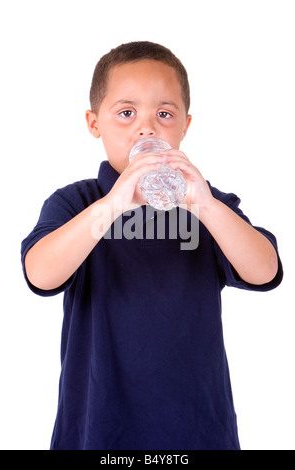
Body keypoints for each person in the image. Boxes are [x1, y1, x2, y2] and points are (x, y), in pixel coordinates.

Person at [21, 41, 283, 450]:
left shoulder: (207, 205)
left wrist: (206, 207)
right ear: (94, 124)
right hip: (97, 424)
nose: (147, 129)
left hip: (197, 427)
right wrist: (113, 203)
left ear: (185, 127)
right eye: (127, 113)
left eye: (164, 114)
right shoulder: (78, 203)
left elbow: (266, 270)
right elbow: (39, 274)